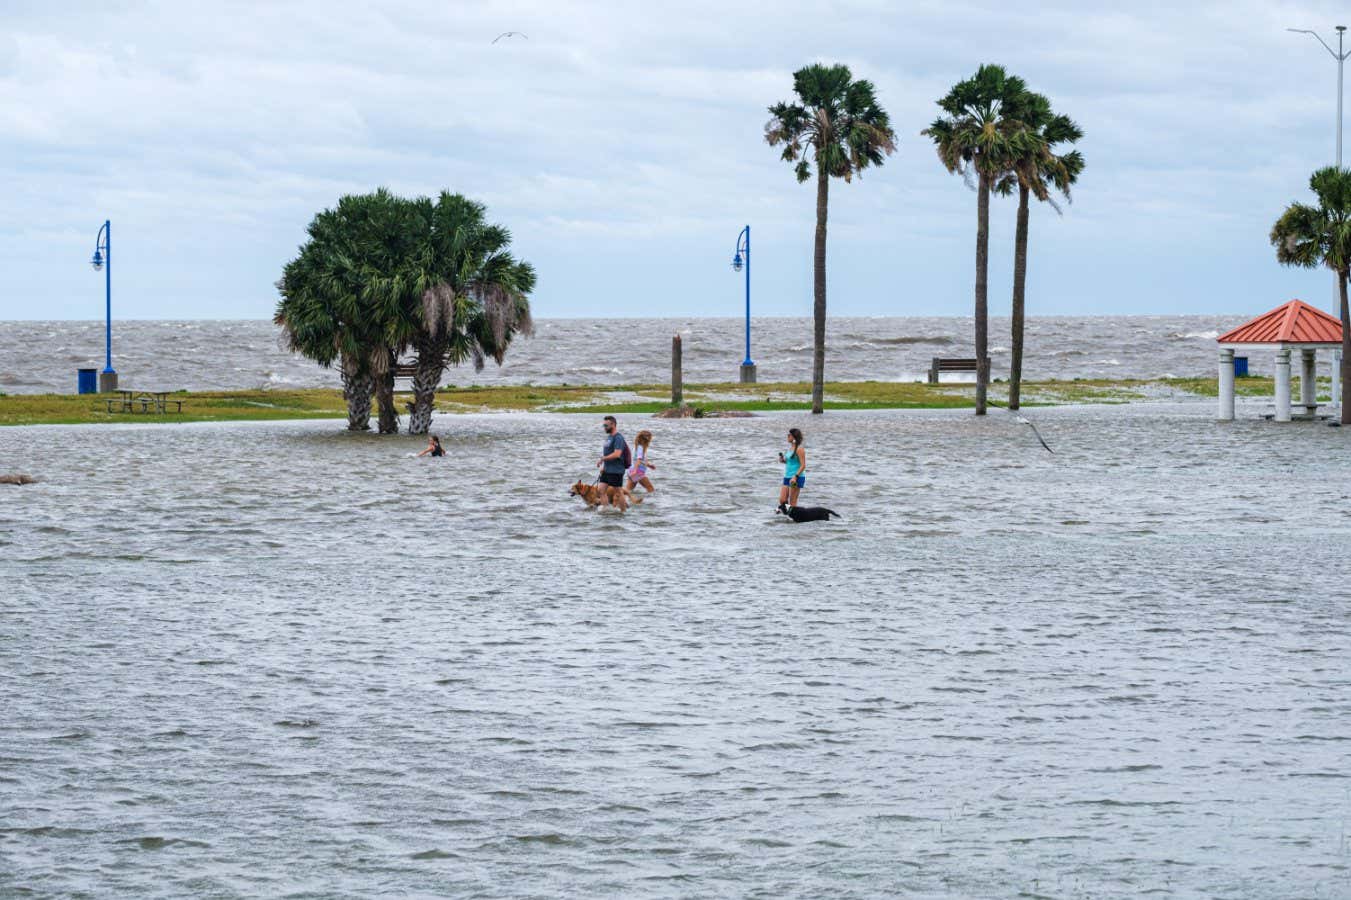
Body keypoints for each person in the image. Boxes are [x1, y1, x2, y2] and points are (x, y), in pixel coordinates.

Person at [597, 415, 629, 491]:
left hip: (616, 470)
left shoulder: (618, 438)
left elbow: (617, 454)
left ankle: (625, 503)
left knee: (618, 493)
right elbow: (607, 453)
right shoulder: (609, 437)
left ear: (613, 425)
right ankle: (605, 504)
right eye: (603, 425)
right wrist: (604, 467)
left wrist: (603, 459)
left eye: (606, 425)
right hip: (607, 470)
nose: (604, 427)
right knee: (601, 491)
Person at [778, 427, 806, 511]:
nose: (787, 436)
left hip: (796, 478)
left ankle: (794, 519)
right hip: (787, 477)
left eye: (789, 435)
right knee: (782, 500)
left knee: (793, 501)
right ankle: (789, 515)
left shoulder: (799, 449)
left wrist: (795, 476)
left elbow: (803, 465)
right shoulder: (790, 449)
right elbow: (790, 462)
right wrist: (783, 460)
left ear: (793, 437)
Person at [625, 430, 656, 494]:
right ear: (646, 440)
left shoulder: (638, 447)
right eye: (650, 439)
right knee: (650, 488)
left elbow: (641, 460)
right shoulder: (640, 448)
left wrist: (649, 465)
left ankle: (619, 500)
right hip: (637, 472)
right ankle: (650, 502)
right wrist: (635, 471)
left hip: (632, 471)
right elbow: (638, 460)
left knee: (627, 491)